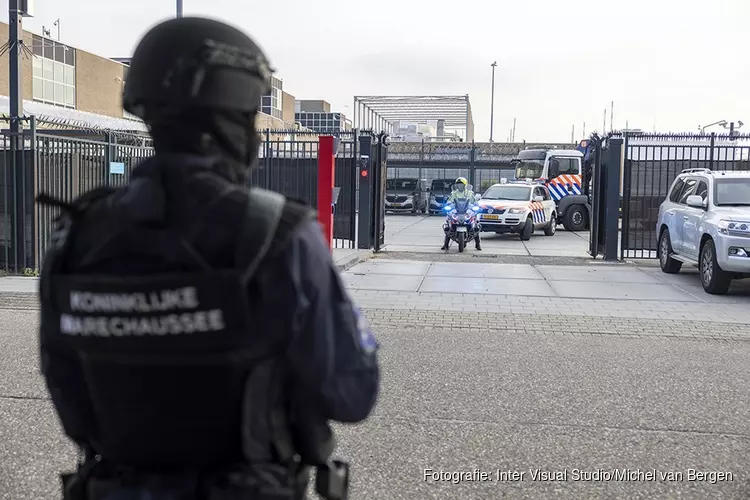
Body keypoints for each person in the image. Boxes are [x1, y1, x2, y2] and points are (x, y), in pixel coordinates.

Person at [37, 17, 379, 500]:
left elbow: (69, 396)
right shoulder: (280, 234)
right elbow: (350, 393)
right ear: (235, 110)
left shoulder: (76, 238)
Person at [441, 177, 482, 251]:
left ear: (465, 185)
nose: (460, 186)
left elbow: (474, 201)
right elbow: (450, 201)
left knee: (476, 224)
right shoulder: (454, 193)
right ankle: (445, 244)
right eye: (458, 185)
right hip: (457, 210)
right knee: (448, 223)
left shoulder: (469, 193)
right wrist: (448, 204)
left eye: (461, 185)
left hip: (467, 210)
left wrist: (476, 205)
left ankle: (478, 244)